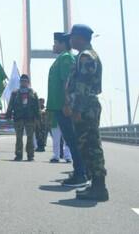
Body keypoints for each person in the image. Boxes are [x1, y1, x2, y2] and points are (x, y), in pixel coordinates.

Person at [65, 24, 108, 201]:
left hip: (86, 106)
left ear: (80, 38)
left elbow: (83, 85)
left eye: (72, 36)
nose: (70, 39)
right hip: (87, 105)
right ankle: (96, 184)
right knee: (87, 145)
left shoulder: (85, 56)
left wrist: (77, 109)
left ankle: (99, 187)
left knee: (90, 146)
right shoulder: (86, 55)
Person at [46, 32, 83, 183]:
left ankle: (81, 173)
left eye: (56, 42)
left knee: (72, 140)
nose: (53, 45)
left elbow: (67, 83)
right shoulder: (62, 58)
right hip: (59, 106)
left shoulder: (66, 57)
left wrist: (67, 104)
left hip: (64, 107)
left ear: (63, 43)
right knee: (70, 139)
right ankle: (79, 172)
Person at [5, 74, 40, 161]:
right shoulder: (15, 93)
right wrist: (8, 115)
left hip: (30, 118)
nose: (23, 82)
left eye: (25, 81)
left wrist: (38, 118)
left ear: (28, 82)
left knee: (30, 137)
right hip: (18, 118)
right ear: (20, 82)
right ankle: (18, 154)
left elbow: (37, 107)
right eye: (22, 81)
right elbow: (10, 105)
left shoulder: (33, 93)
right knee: (19, 138)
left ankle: (30, 155)